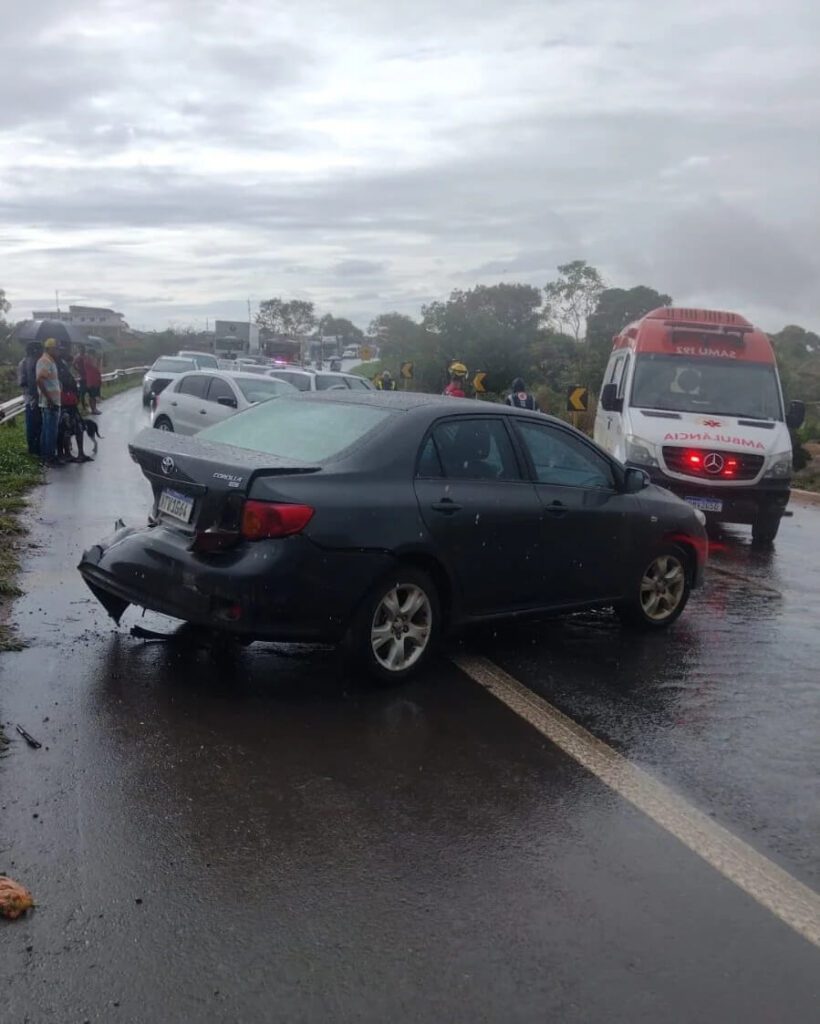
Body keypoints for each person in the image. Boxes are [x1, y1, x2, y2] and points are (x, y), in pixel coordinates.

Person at [56, 343, 92, 463]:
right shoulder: (56, 365)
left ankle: (78, 453)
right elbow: (64, 382)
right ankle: (67, 453)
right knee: (66, 428)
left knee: (77, 427)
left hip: (70, 401)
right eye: (62, 351)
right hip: (64, 401)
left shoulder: (63, 365)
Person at [36, 338, 62, 466]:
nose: (58, 351)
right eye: (56, 349)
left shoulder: (50, 361)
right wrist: (49, 399)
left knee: (47, 430)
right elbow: (40, 380)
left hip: (51, 401)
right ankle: (49, 458)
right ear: (50, 349)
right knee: (51, 431)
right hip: (50, 402)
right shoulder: (45, 361)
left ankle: (46, 456)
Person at [17, 342, 42, 455]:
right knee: (33, 424)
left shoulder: (29, 362)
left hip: (33, 397)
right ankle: (33, 448)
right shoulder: (27, 363)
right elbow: (24, 382)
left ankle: (35, 447)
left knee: (35, 423)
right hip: (32, 397)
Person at [77, 347, 103, 414]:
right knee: (92, 395)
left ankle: (94, 408)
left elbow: (98, 369)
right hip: (92, 380)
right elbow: (96, 367)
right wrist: (99, 360)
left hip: (95, 379)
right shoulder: (88, 360)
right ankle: (93, 409)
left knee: (93, 395)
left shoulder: (89, 360)